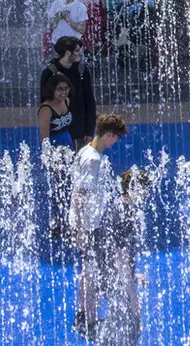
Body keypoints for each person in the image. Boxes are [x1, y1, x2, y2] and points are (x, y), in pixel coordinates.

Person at [68, 113, 128, 339]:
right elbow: (79, 195)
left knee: (87, 271)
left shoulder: (86, 151)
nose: (115, 143)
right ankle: (90, 321)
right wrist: (82, 229)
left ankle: (83, 313)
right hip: (89, 225)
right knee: (91, 273)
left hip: (88, 222)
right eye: (116, 139)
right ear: (109, 135)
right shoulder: (93, 159)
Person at [40, 36, 99, 147]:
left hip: (79, 129)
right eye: (77, 50)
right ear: (67, 53)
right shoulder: (49, 72)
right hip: (58, 129)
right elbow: (44, 104)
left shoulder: (82, 70)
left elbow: (90, 101)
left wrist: (90, 131)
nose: (80, 53)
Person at [38, 75, 76, 150]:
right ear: (52, 89)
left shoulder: (66, 101)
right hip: (54, 147)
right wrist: (49, 156)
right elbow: (44, 138)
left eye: (66, 88)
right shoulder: (46, 109)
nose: (64, 92)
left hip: (68, 144)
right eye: (60, 89)